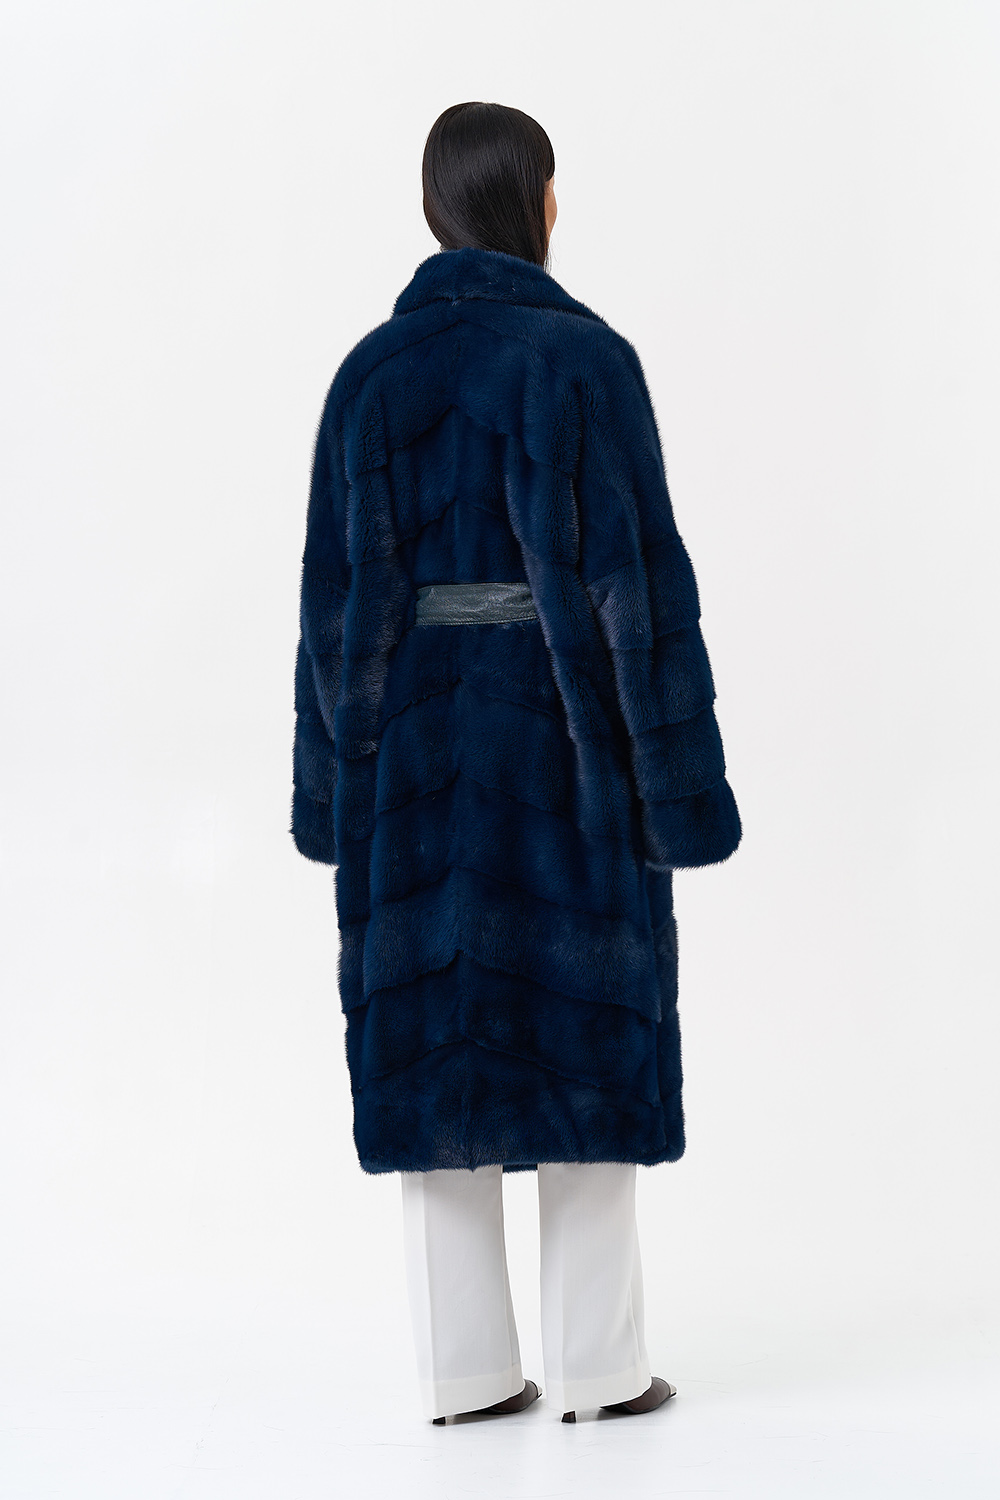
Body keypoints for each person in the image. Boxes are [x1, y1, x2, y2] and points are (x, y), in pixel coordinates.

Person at [290, 101, 742, 1425]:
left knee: (435, 1053)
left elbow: (332, 610)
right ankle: (601, 1370)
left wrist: (330, 788)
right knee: (588, 1040)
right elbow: (638, 592)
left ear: (436, 209)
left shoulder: (369, 376)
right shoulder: (584, 361)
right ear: (538, 202)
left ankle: (465, 1374)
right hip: (563, 746)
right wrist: (677, 790)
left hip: (412, 749)